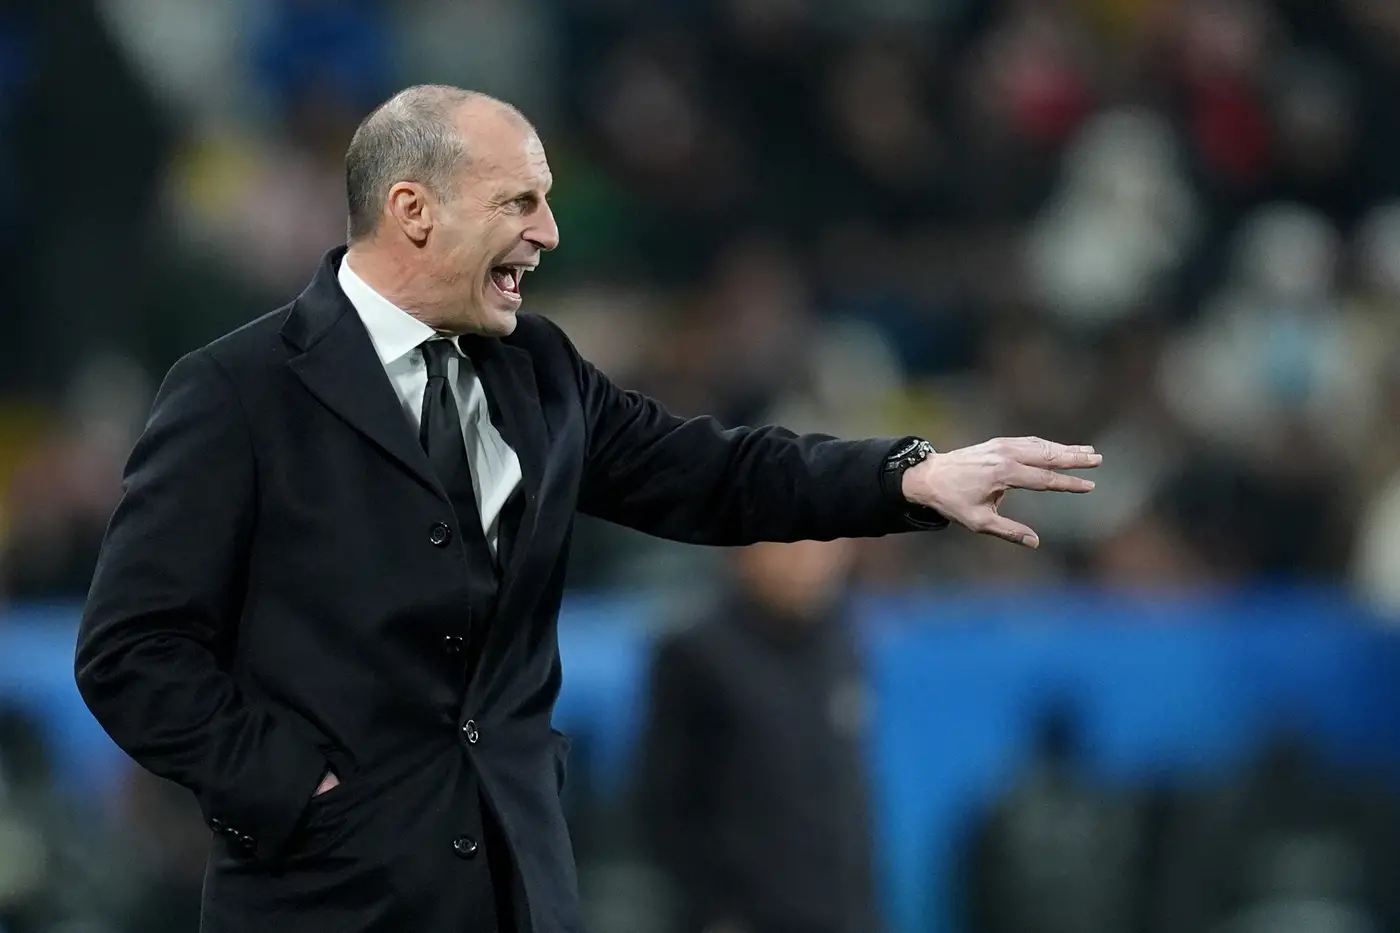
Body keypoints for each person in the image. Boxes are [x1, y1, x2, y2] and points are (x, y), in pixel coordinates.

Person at [74, 85, 1101, 933]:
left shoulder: (540, 370)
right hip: (323, 902)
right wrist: (292, 785)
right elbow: (131, 648)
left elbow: (712, 473)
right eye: (519, 202)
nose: (549, 232)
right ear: (414, 210)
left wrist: (905, 477)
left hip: (519, 890)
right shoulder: (238, 390)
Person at [637, 537, 881, 933]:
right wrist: (713, 912)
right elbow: (665, 803)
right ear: (745, 549)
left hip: (843, 912)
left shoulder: (843, 644)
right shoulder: (696, 653)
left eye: (825, 542)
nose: (808, 559)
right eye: (792, 543)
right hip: (747, 915)